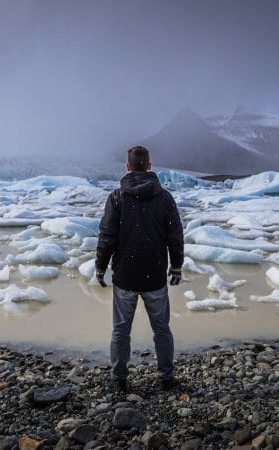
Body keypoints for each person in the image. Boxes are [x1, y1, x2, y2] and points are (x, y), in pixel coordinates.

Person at [95, 146, 184, 392]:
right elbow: (175, 235)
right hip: (155, 275)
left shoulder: (117, 197)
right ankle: (166, 377)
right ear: (149, 166)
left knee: (121, 330)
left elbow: (107, 236)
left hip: (125, 276)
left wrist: (100, 267)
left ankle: (119, 380)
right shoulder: (164, 197)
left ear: (128, 167)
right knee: (162, 329)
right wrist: (176, 266)